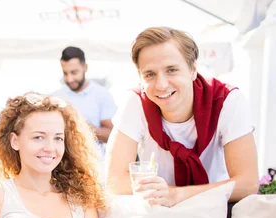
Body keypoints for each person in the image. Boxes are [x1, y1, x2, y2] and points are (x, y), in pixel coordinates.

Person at [106, 27, 259, 206]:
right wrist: (166, 195)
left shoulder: (227, 99)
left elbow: (248, 183)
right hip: (159, 210)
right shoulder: (135, 102)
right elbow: (115, 181)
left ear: (193, 70)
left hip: (217, 207)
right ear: (140, 77)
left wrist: (177, 195)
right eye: (150, 74)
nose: (161, 85)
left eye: (171, 70)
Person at [53, 46, 118, 160]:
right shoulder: (55, 97)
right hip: (62, 163)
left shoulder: (102, 95)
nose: (69, 79)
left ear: (85, 67)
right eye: (65, 73)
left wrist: (82, 126)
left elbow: (112, 136)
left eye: (74, 72)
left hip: (94, 164)